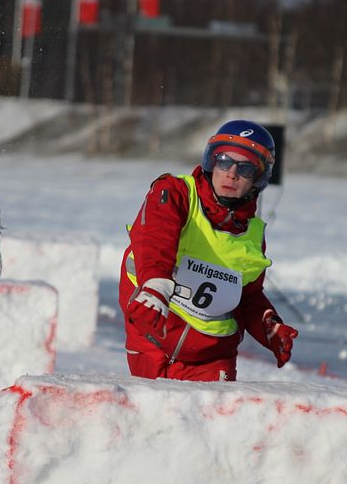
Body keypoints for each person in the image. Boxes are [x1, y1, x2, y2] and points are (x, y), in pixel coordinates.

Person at [118, 119, 299, 381]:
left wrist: (268, 325)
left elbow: (248, 296)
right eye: (224, 161)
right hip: (151, 338)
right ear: (212, 162)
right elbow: (156, 237)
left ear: (258, 179)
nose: (231, 173)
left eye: (245, 168)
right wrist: (156, 286)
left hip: (212, 356)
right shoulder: (176, 193)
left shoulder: (253, 234)